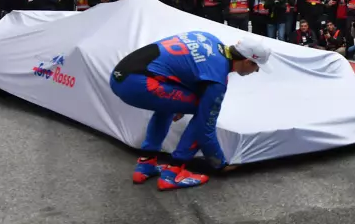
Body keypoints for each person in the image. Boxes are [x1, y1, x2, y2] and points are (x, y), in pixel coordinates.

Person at [110, 32, 271, 190]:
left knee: (169, 106)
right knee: (202, 110)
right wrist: (219, 163)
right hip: (139, 84)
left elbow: (183, 65)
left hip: (120, 76)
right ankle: (172, 172)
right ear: (248, 61)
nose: (256, 71)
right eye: (257, 66)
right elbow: (205, 128)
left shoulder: (208, 38)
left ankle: (146, 164)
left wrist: (178, 105)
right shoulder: (217, 79)